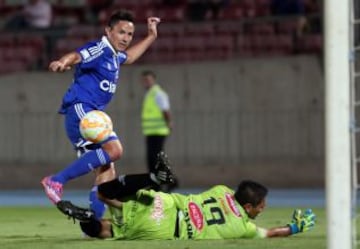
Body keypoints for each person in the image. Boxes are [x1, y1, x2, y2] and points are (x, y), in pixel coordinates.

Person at [41, 10, 161, 221]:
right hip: (80, 109)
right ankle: (55, 180)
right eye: (121, 32)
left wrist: (151, 35)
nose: (125, 38)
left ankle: (95, 225)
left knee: (106, 174)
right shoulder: (100, 48)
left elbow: (131, 57)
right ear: (108, 31)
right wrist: (63, 62)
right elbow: (78, 55)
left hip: (93, 114)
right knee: (114, 150)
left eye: (130, 34)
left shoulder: (115, 56)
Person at [58, 161, 316, 240]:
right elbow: (270, 233)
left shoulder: (221, 190)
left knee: (107, 194)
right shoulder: (243, 227)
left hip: (165, 203)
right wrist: (294, 227)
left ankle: (151, 178)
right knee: (109, 231)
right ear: (248, 207)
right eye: (262, 205)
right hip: (165, 227)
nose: (264, 209)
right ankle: (90, 223)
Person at [140, 71, 172, 175]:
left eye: (148, 80)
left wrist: (169, 122)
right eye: (144, 80)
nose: (146, 82)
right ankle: (156, 180)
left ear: (154, 80)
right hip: (151, 131)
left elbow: (165, 110)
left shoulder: (158, 93)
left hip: (159, 131)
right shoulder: (149, 94)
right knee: (152, 157)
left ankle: (166, 180)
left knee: (156, 157)